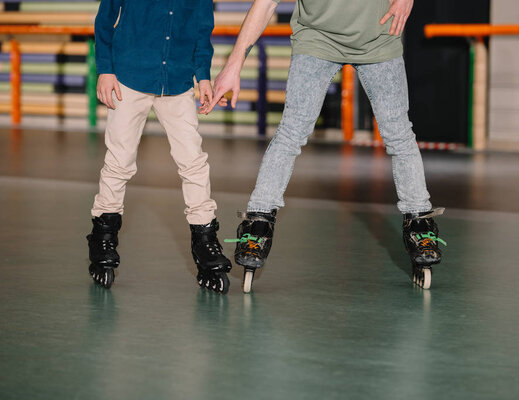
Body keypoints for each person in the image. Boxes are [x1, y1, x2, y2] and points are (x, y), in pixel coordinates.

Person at [209, 0, 447, 291]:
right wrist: (234, 62)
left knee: (399, 134)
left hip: (378, 36)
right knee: (291, 132)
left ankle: (419, 222)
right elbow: (266, 3)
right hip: (317, 38)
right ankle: (258, 222)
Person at [87, 0, 232, 293]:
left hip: (177, 83)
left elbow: (202, 32)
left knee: (194, 161)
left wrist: (203, 77)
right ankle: (103, 237)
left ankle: (205, 241)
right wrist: (105, 68)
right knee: (119, 161)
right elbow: (105, 20)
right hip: (128, 77)